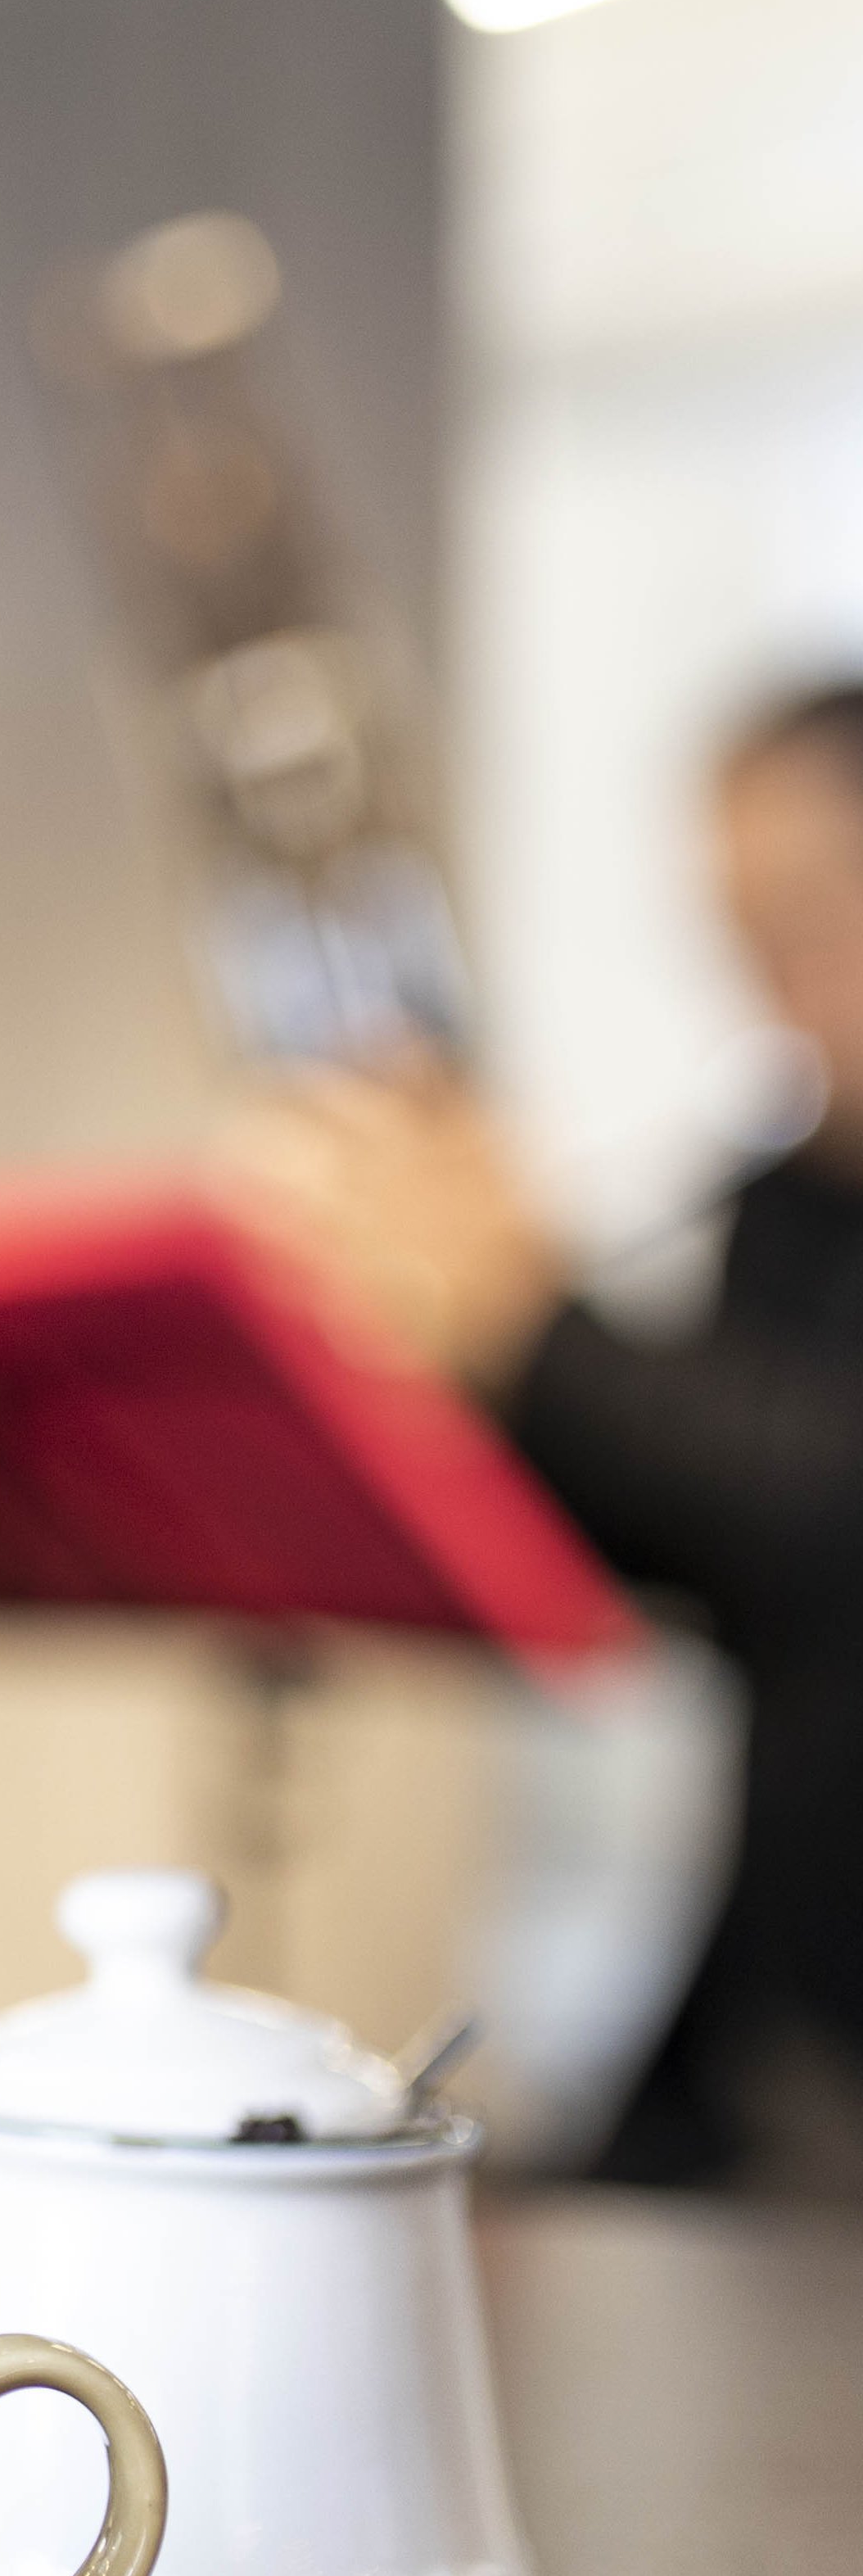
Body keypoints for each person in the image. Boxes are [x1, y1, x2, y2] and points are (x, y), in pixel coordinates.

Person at [228, 679, 863, 2189]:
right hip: (773, 2030)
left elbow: (824, 1510)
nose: (777, 992)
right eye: (747, 938)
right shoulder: (786, 1203)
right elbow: (701, 1553)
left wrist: (522, 1319)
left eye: (812, 920)